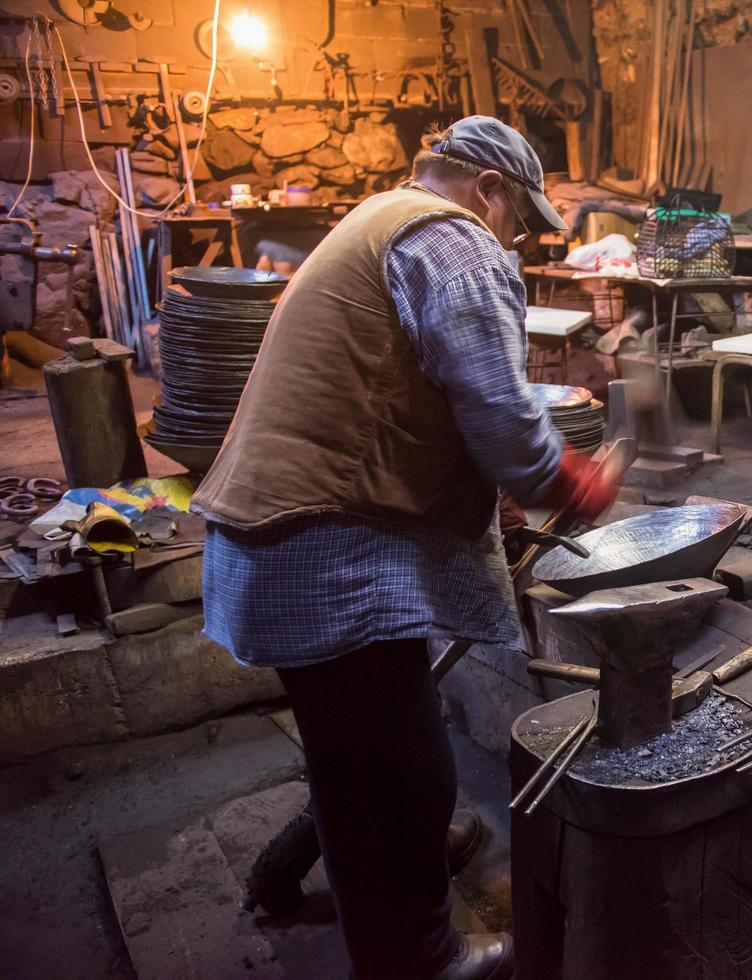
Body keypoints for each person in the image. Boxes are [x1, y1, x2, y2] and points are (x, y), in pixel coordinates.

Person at [192, 116, 617, 980]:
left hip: (285, 536)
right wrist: (563, 480)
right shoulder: (452, 240)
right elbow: (500, 413)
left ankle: (388, 875)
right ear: (487, 189)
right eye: (519, 219)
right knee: (394, 775)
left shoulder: (379, 215)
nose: (517, 238)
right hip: (323, 546)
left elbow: (407, 391)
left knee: (368, 757)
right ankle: (416, 959)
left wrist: (489, 498)